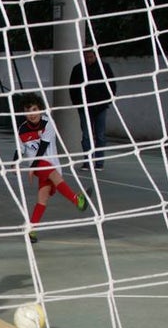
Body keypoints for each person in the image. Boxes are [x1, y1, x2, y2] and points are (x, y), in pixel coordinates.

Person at [11, 92, 89, 243]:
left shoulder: (48, 123)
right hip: (39, 165)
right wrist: (14, 163)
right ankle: (77, 200)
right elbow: (19, 149)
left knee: (42, 198)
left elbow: (43, 148)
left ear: (40, 109)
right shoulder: (22, 129)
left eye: (34, 110)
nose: (31, 114)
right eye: (27, 112)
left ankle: (31, 229)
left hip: (47, 164)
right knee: (50, 174)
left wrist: (32, 168)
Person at [68, 47, 117, 171]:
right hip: (85, 107)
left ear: (95, 56)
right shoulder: (78, 69)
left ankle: (99, 162)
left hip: (101, 106)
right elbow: (73, 87)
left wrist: (108, 100)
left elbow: (111, 84)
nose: (88, 59)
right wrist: (78, 103)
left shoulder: (104, 67)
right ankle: (87, 161)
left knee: (100, 135)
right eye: (86, 57)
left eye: (91, 56)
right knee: (86, 135)